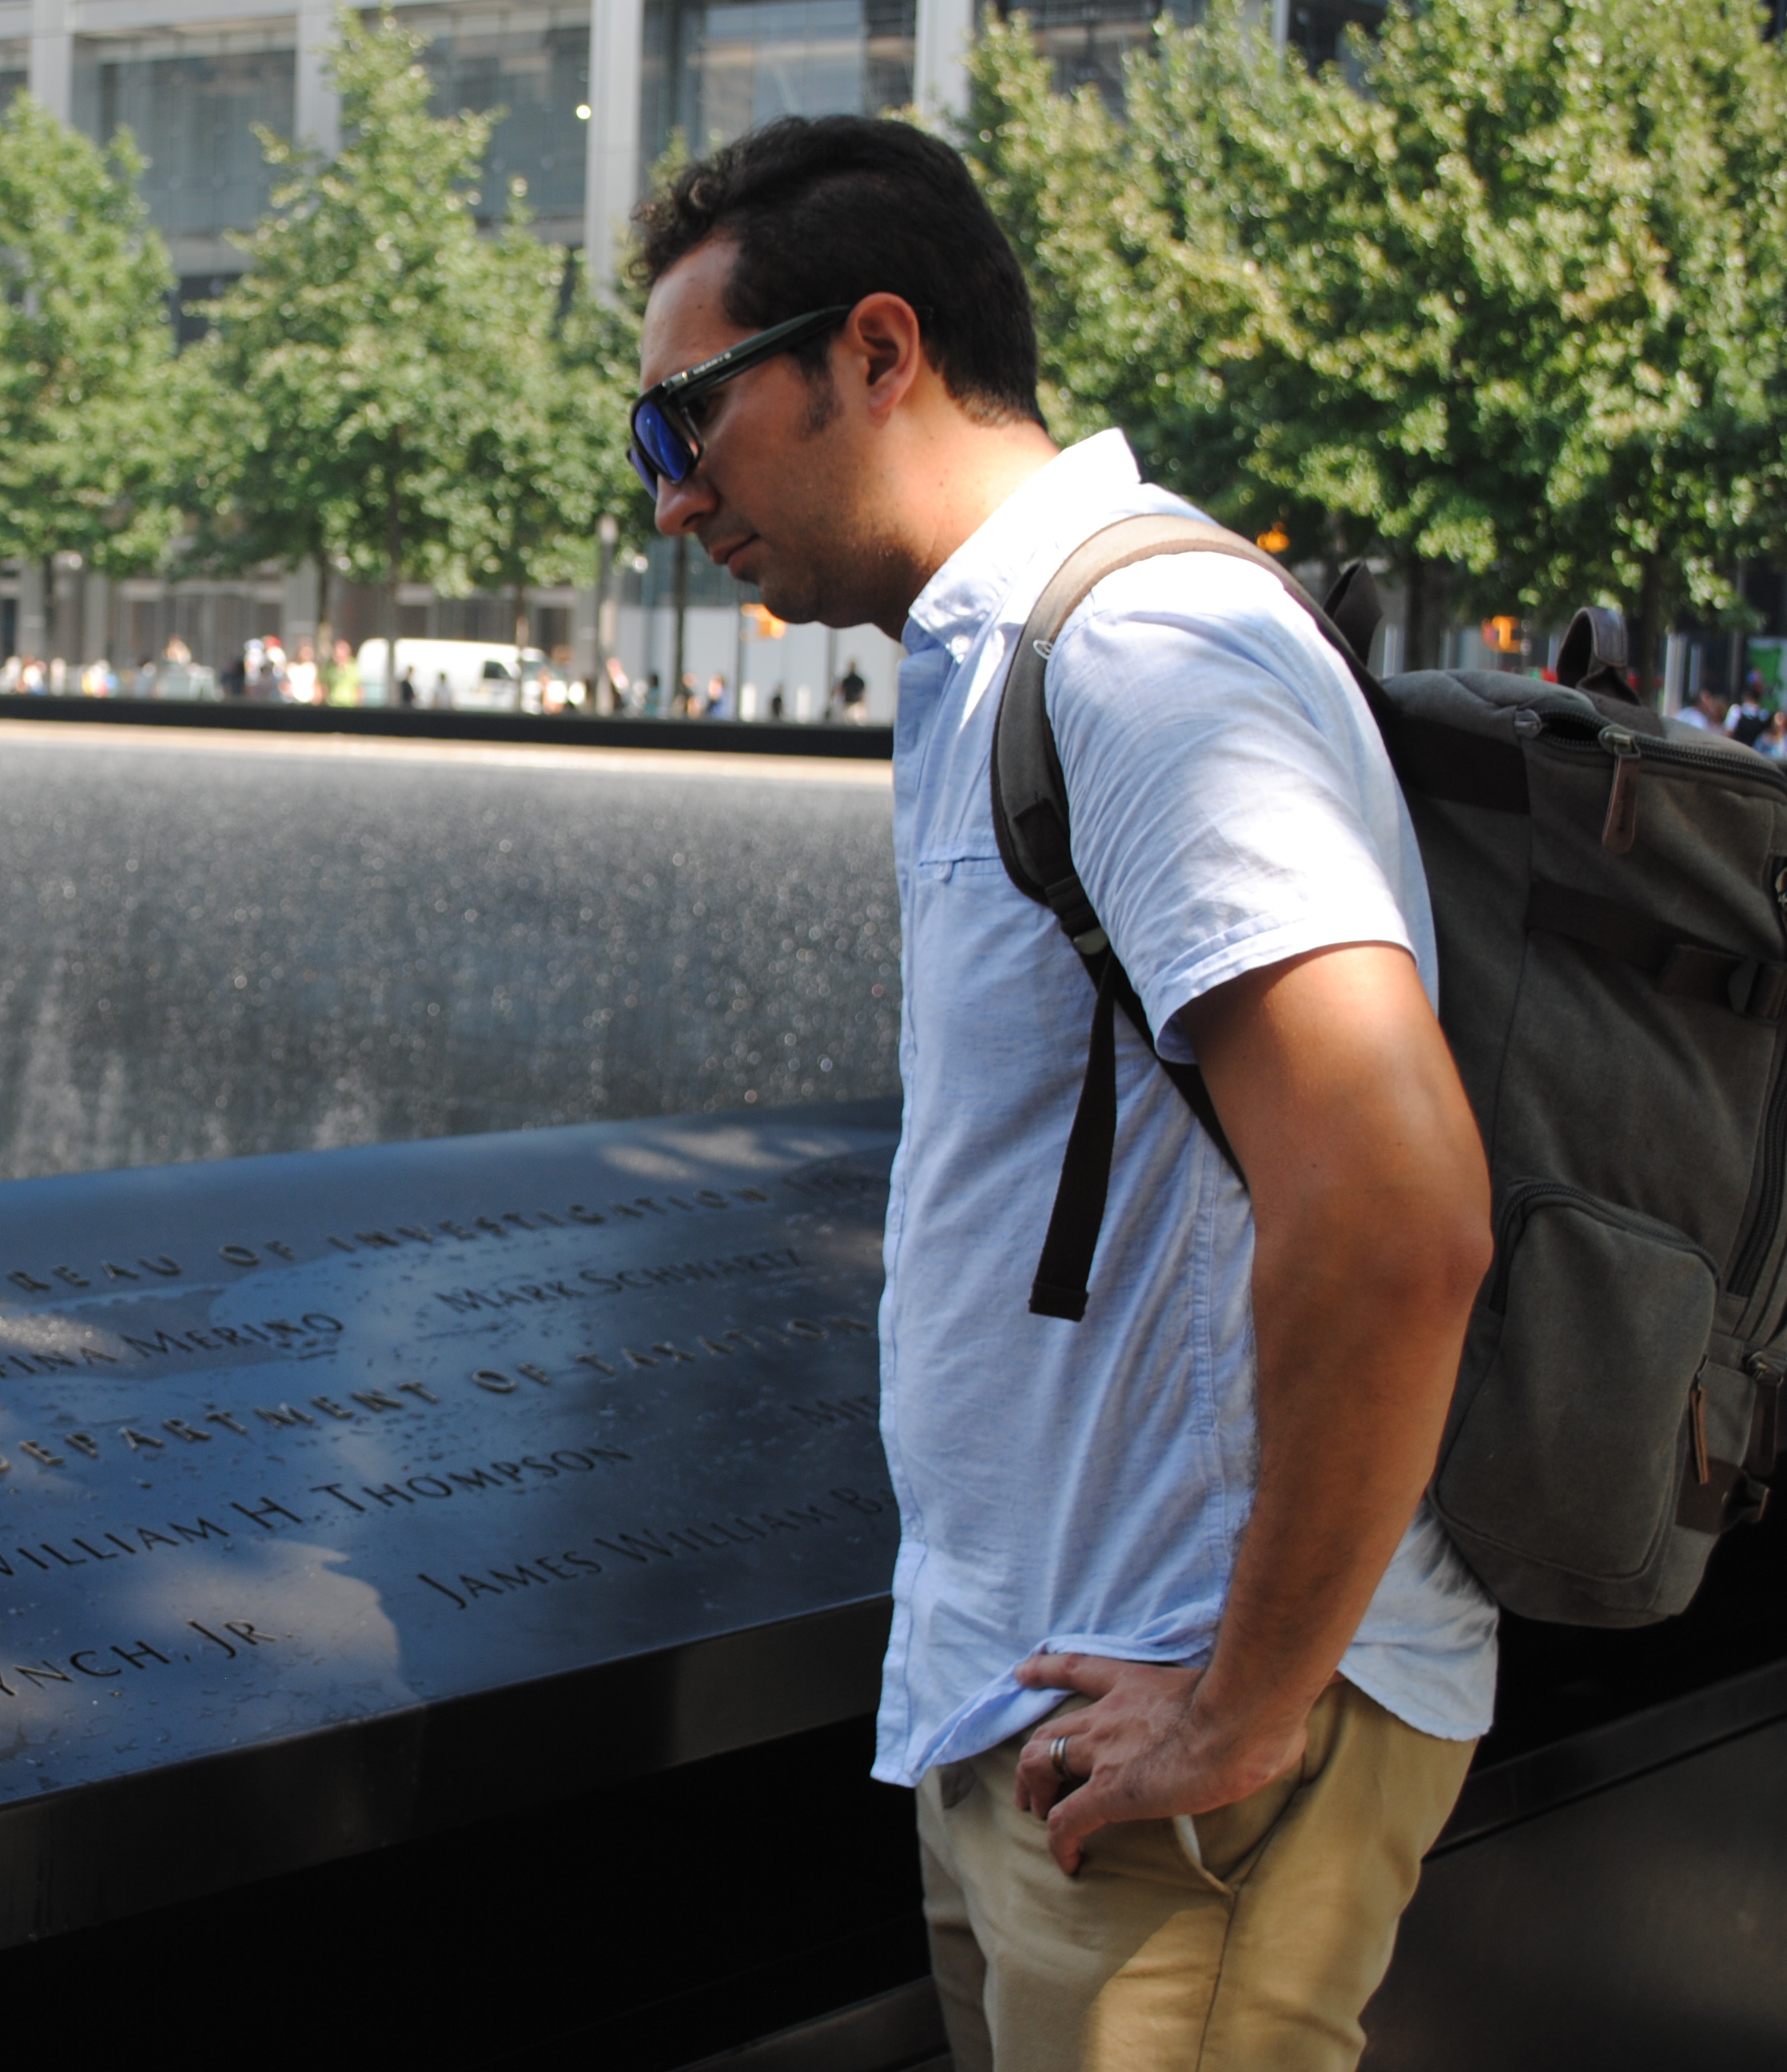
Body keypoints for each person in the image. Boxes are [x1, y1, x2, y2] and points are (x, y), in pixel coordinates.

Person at [633, 116, 1492, 2071]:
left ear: (875, 350)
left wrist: (1242, 1706)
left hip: (1186, 1748)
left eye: (684, 423)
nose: (669, 503)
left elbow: (1396, 1213)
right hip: (1036, 1708)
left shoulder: (1142, 657)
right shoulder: (998, 663)